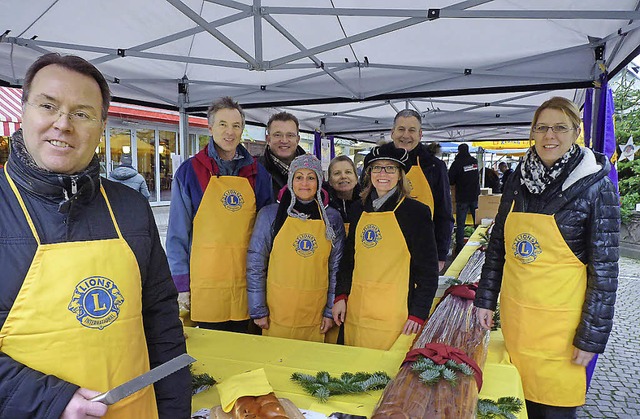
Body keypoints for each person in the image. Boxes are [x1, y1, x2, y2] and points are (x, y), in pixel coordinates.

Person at [0, 53, 189, 418]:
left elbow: (162, 325)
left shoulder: (131, 208)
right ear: (24, 111)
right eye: (48, 106)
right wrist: (50, 400)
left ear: (101, 126)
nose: (63, 124)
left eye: (82, 113)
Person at [474, 97, 620, 419]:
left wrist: (590, 338)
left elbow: (605, 272)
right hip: (517, 325)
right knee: (510, 405)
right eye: (541, 127)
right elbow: (499, 244)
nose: (549, 135)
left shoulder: (596, 187)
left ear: (576, 132)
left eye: (559, 127)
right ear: (532, 133)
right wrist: (486, 299)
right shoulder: (517, 179)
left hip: (562, 337)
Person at [167, 96, 273, 333]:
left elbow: (268, 234)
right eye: (223, 124)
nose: (230, 132)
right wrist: (181, 284)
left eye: (236, 126)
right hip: (206, 283)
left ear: (242, 129)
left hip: (248, 283)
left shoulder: (258, 174)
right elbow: (177, 234)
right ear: (210, 127)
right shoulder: (190, 172)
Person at [332, 142, 439, 351]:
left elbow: (428, 270)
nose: (383, 173)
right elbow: (348, 259)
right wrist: (341, 295)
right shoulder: (358, 209)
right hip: (357, 307)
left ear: (400, 175)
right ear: (369, 173)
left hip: (395, 313)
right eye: (377, 167)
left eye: (390, 168)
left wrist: (419, 312)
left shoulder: (416, 212)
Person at [247, 155, 345, 342]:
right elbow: (255, 263)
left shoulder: (331, 218)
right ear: (291, 180)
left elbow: (336, 268)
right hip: (277, 310)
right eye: (299, 177)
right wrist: (258, 308)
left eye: (311, 177)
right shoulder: (270, 215)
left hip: (317, 311)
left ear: (319, 181)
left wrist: (330, 311)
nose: (305, 183)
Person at [390, 109, 453, 272]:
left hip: (423, 251)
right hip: (386, 249)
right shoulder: (377, 165)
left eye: (412, 130)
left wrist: (440, 255)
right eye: (401, 129)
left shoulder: (434, 167)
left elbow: (444, 212)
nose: (406, 135)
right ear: (392, 132)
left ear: (420, 134)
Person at [258, 111, 306, 197]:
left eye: (290, 135)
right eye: (277, 135)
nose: (284, 140)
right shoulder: (255, 170)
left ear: (297, 139)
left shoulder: (312, 170)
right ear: (268, 139)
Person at [448, 143, 480, 254]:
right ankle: (478, 245)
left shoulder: (457, 163)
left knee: (461, 224)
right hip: (475, 196)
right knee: (477, 222)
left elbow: (450, 179)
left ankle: (460, 247)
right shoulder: (474, 161)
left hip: (462, 197)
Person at [326, 155, 361, 227]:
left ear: (356, 178)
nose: (343, 176)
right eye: (337, 173)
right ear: (330, 181)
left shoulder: (367, 202)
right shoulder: (324, 205)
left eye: (348, 172)